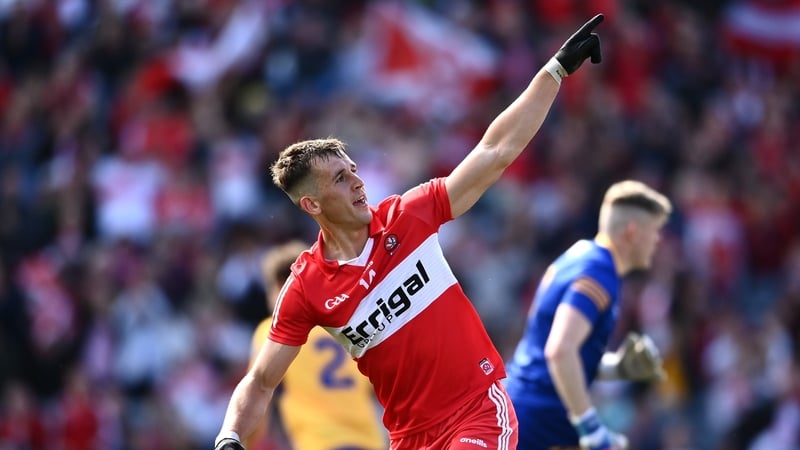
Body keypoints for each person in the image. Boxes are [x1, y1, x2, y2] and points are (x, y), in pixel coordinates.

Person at [215, 13, 605, 450]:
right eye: (340, 179)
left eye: (354, 170)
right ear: (312, 204)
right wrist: (229, 437)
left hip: (477, 411)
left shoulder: (408, 215)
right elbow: (262, 381)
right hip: (409, 439)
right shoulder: (306, 288)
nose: (358, 182)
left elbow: (494, 151)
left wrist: (553, 72)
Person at [504, 180, 673, 450]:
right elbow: (559, 350)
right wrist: (590, 427)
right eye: (653, 231)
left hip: (529, 412)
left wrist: (616, 367)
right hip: (537, 420)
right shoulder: (600, 271)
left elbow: (560, 350)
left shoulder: (580, 255)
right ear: (632, 232)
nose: (656, 241)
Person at [247, 239, 387, 450]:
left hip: (320, 442)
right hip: (369, 441)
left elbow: (256, 399)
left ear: (278, 288)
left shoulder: (271, 332)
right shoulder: (342, 325)